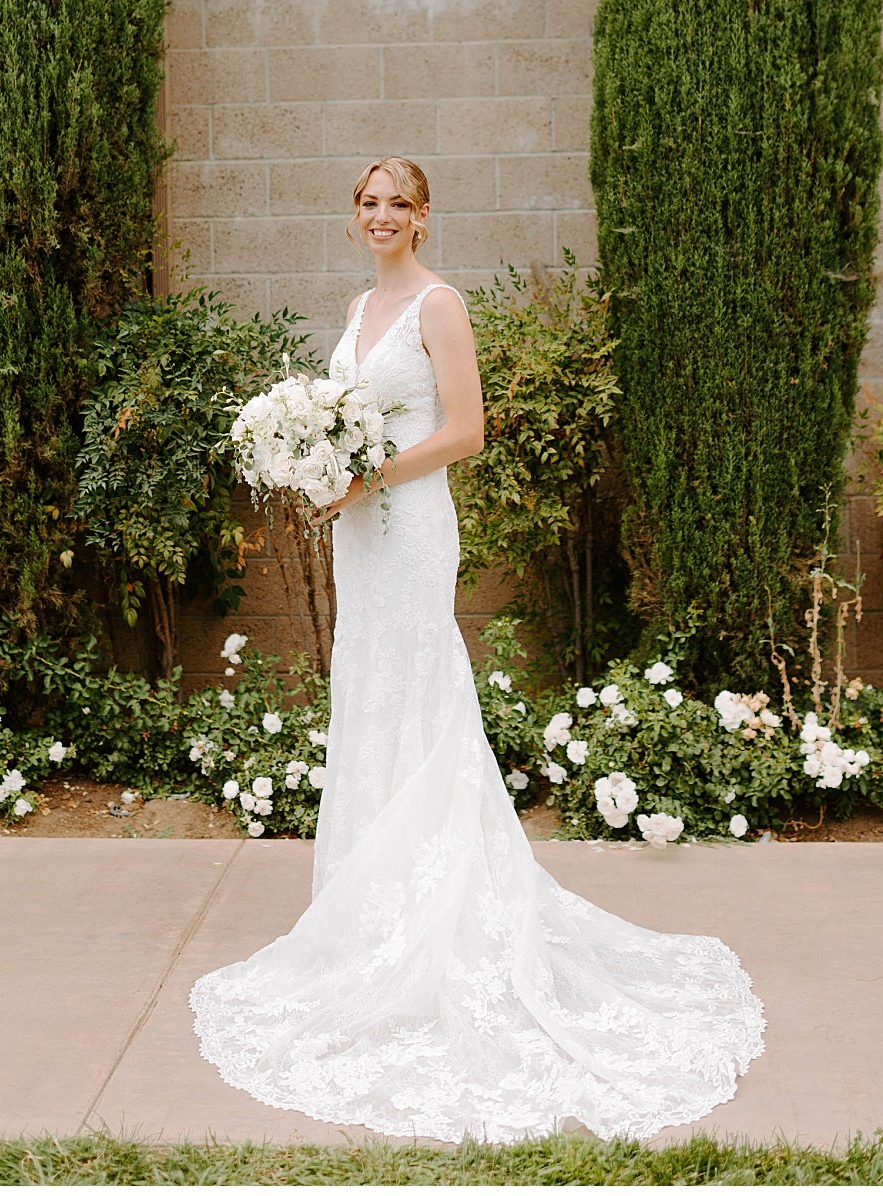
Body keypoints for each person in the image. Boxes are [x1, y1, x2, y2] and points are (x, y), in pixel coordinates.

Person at [189, 156, 765, 1143]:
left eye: (397, 204)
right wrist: (322, 462)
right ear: (355, 216)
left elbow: (467, 431)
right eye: (367, 203)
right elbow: (346, 417)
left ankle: (444, 923)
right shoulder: (357, 308)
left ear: (424, 217)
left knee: (419, 696)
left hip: (409, 527)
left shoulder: (437, 305)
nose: (381, 217)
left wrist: (365, 476)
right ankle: (370, 918)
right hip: (360, 533)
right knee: (369, 698)